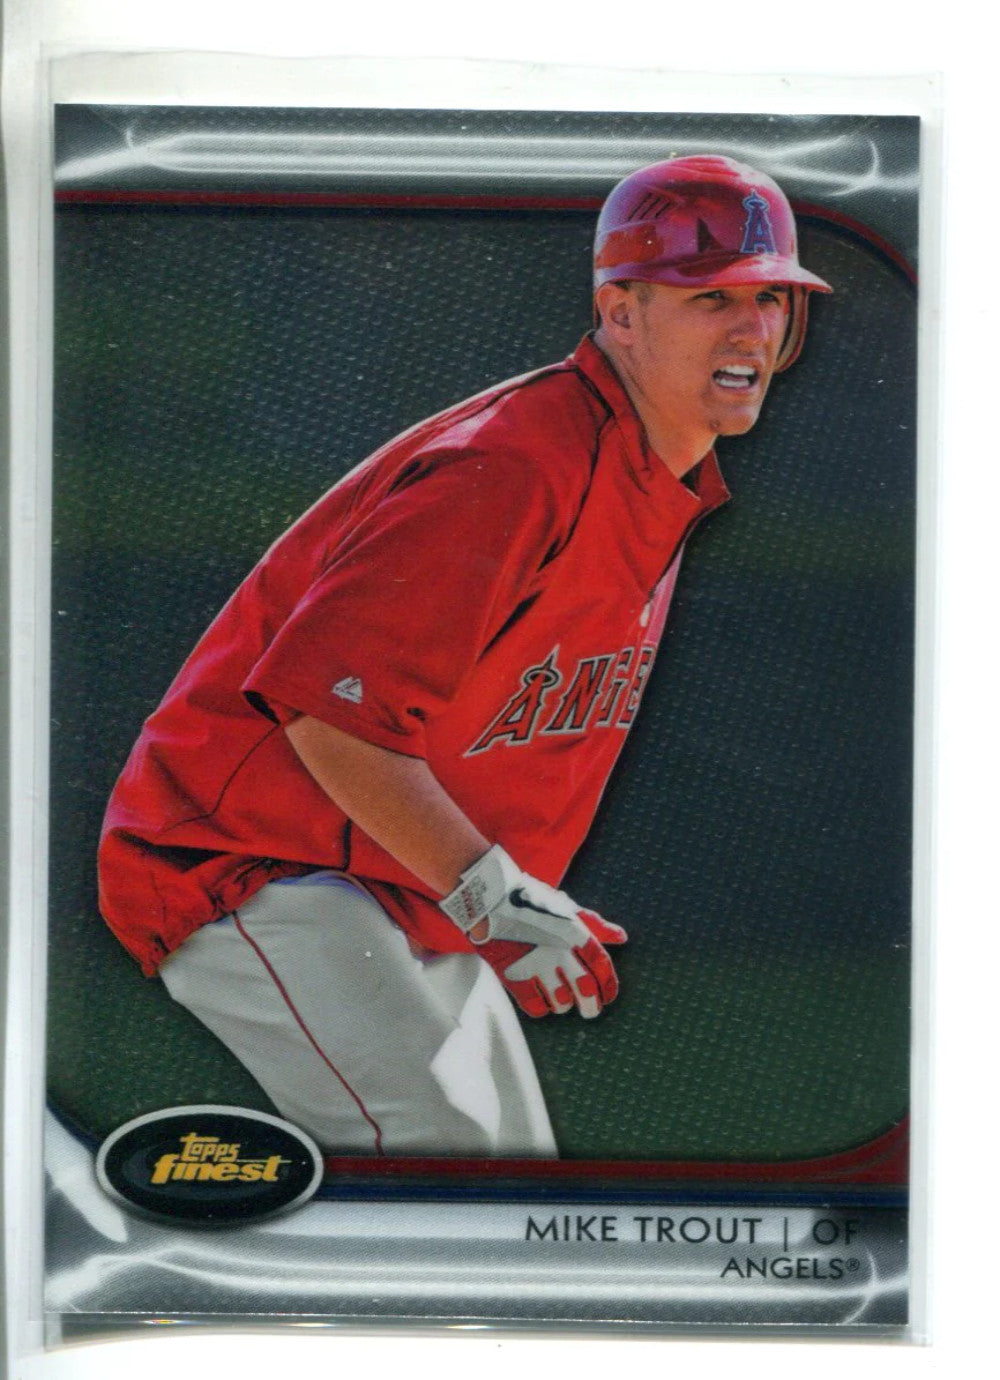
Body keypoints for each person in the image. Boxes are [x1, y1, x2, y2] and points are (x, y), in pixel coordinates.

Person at [98, 155, 831, 1158]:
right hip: (249, 862)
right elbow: (330, 717)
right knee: (439, 1159)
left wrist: (497, 900)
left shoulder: (647, 469)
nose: (753, 327)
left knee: (517, 1178)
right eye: (712, 297)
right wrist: (491, 890)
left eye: (772, 298)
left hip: (395, 876)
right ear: (621, 313)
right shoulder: (514, 463)